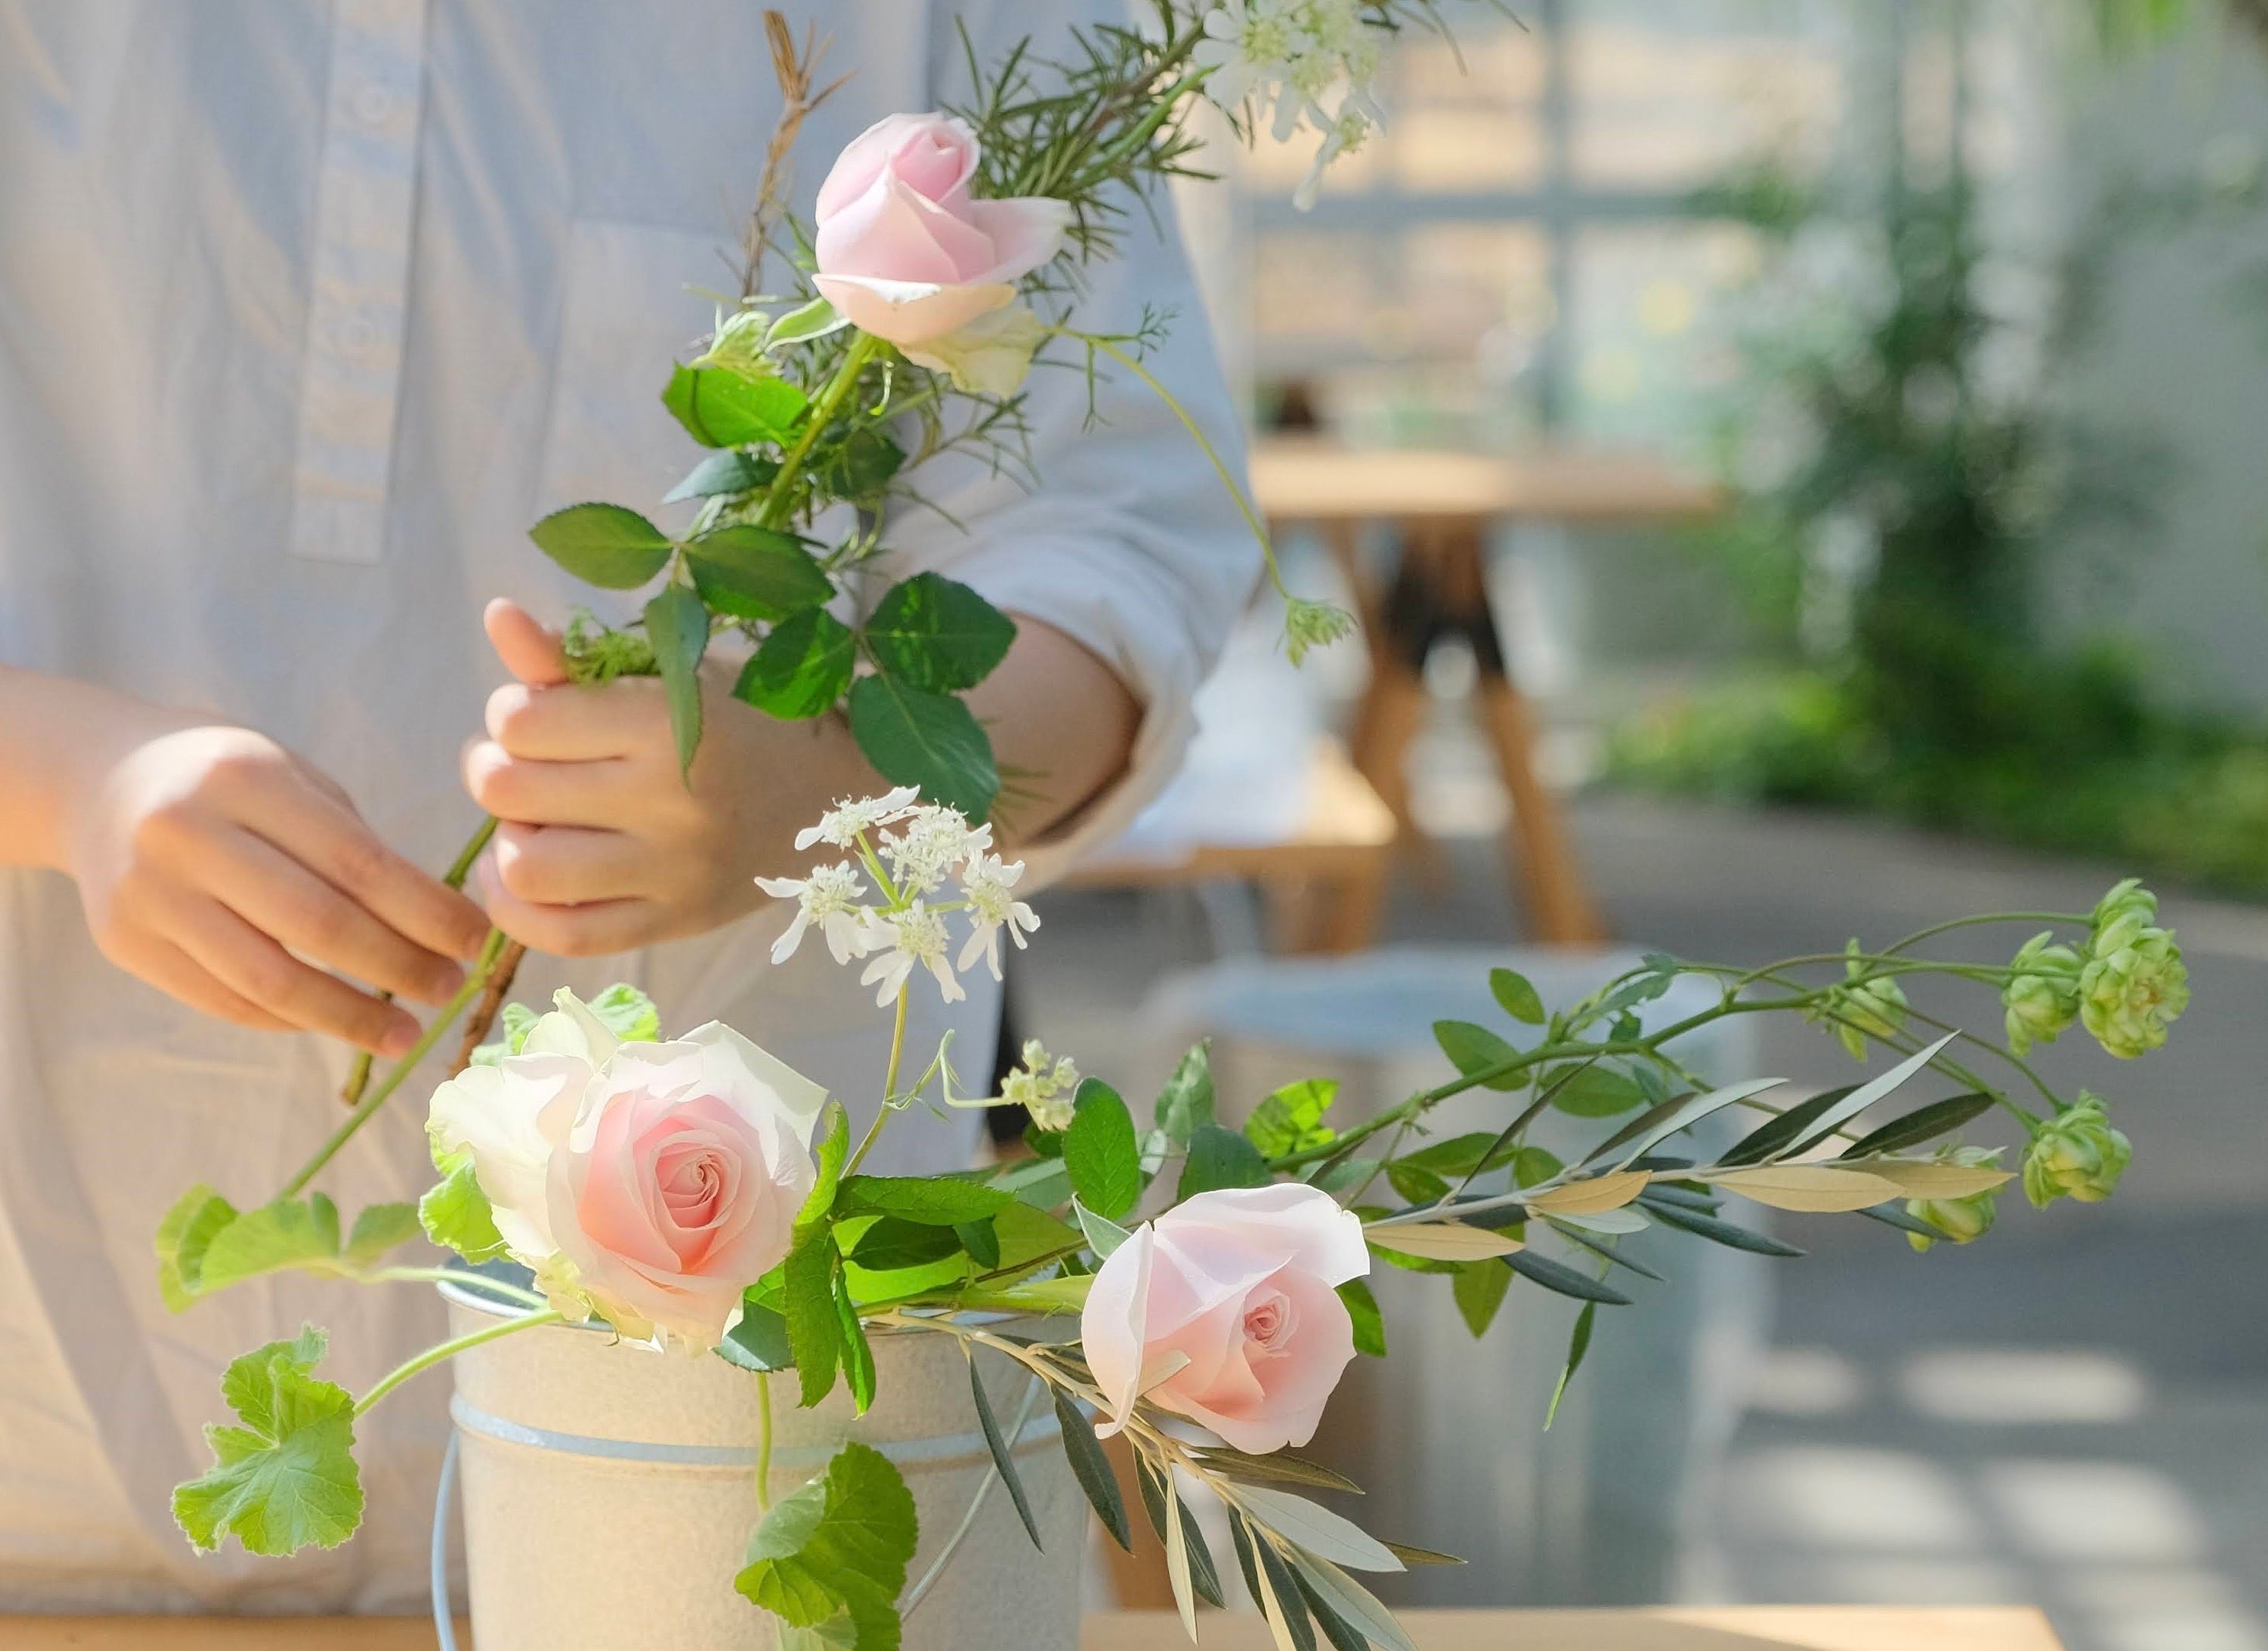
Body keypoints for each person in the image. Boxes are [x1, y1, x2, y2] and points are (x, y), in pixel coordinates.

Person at [0, 1, 1251, 1613]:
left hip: (722, 1468)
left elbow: (1122, 558)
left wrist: (835, 777)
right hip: (42, 1432)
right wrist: (60, 774)